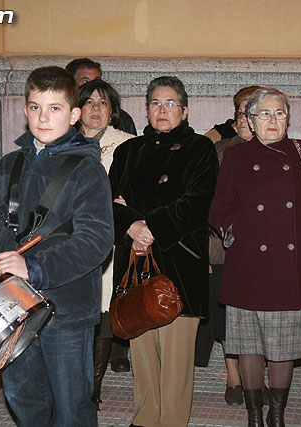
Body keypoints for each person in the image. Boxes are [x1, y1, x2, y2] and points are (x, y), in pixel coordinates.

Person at [0, 66, 114, 426]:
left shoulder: (87, 170)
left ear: (74, 114)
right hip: (11, 305)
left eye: (54, 108)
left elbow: (96, 241)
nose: (43, 117)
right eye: (35, 107)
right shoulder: (7, 166)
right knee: (23, 397)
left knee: (71, 406)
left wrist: (33, 267)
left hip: (65, 308)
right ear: (25, 110)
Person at [210, 87, 301, 427]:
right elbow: (219, 207)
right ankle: (254, 414)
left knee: (283, 347)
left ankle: (277, 414)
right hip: (247, 263)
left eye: (279, 113)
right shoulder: (235, 156)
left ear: (288, 119)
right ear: (249, 119)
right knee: (248, 346)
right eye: (264, 114)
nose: (273, 120)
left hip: (288, 266)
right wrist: (234, 229)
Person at [109, 75, 218, 426]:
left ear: (184, 111)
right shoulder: (128, 151)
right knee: (141, 354)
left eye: (171, 103)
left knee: (175, 362)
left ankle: (171, 422)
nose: (162, 109)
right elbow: (107, 203)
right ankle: (144, 420)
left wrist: (149, 225)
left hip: (180, 263)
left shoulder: (200, 149)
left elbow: (197, 203)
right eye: (156, 102)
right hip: (136, 264)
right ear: (147, 108)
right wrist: (131, 224)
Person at [66, 57, 135, 373]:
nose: (96, 109)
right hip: (67, 242)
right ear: (77, 109)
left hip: (108, 243)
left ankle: (91, 391)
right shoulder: (61, 145)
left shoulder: (129, 146)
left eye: (103, 103)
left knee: (103, 312)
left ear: (112, 111)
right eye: (89, 101)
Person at [208, 85, 262, 405]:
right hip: (223, 247)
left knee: (258, 315)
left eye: (249, 111)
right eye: (239, 111)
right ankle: (233, 376)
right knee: (227, 313)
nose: (243, 118)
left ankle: (256, 375)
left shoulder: (277, 151)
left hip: (262, 251)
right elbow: (210, 200)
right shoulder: (220, 150)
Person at [66, 57, 137, 136]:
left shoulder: (122, 119)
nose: (93, 86)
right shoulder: (61, 116)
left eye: (97, 80)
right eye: (85, 82)